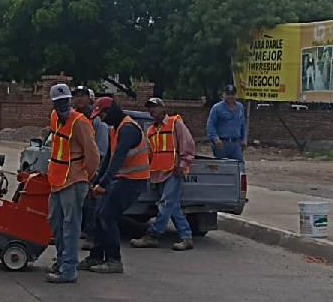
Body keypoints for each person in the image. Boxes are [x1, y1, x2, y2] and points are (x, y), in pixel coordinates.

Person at [82, 97, 149, 274]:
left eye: (103, 114)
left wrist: (103, 183)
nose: (102, 118)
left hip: (133, 181)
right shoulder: (115, 130)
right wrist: (96, 179)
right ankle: (96, 256)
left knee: (107, 215)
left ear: (111, 110)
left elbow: (117, 160)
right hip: (122, 179)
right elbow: (108, 160)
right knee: (97, 215)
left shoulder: (128, 129)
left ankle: (114, 260)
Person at [44, 84, 100, 284]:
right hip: (57, 179)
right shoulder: (54, 118)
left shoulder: (80, 123)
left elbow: (93, 155)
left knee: (71, 225)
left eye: (64, 102)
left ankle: (68, 268)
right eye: (58, 102)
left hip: (74, 180)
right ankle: (61, 261)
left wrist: (87, 176)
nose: (62, 106)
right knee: (55, 222)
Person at [130, 98, 196, 251]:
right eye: (149, 108)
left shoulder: (175, 123)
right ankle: (186, 237)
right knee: (172, 207)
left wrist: (183, 165)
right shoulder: (151, 130)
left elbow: (188, 144)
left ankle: (153, 235)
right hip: (157, 174)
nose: (151, 111)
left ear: (162, 108)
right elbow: (149, 153)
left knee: (165, 203)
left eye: (154, 107)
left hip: (174, 171)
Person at [71, 86, 109, 251]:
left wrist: (94, 170)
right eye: (76, 96)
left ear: (89, 99)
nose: (79, 99)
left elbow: (100, 149)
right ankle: (79, 231)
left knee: (91, 204)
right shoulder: (70, 117)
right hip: (73, 169)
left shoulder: (95, 121)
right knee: (75, 203)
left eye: (82, 96)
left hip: (90, 168)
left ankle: (91, 236)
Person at [207, 84, 246, 164]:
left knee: (239, 167)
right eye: (228, 94)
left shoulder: (240, 107)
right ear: (223, 95)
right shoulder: (216, 108)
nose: (230, 96)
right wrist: (215, 139)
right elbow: (210, 125)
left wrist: (244, 139)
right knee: (223, 168)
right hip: (222, 144)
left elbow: (242, 124)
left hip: (236, 143)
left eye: (232, 94)